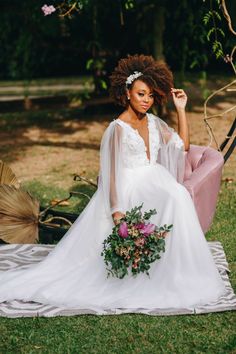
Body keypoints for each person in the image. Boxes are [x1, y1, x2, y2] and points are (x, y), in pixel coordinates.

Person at [0, 54, 226, 313]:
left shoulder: (153, 122)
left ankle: (178, 269)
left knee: (177, 195)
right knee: (175, 196)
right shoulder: (116, 129)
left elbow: (182, 146)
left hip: (154, 178)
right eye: (141, 94)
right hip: (131, 185)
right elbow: (111, 174)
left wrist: (182, 109)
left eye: (150, 96)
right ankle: (159, 272)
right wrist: (118, 213)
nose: (146, 101)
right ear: (127, 92)